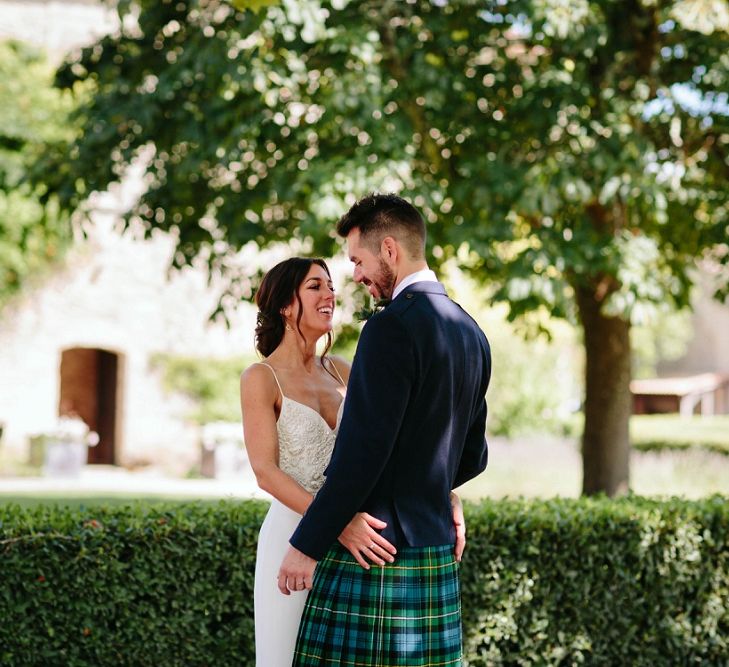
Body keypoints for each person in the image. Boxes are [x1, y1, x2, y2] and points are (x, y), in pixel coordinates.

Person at [278, 194, 491, 666]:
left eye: (358, 260)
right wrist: (436, 491)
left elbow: (362, 455)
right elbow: (473, 455)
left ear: (389, 250)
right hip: (433, 549)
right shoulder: (471, 332)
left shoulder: (390, 327)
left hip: (377, 551)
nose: (355, 275)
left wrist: (305, 546)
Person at [240, 257, 398, 666]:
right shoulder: (260, 378)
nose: (330, 294)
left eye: (330, 285)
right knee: (281, 658)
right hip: (292, 533)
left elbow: (386, 446)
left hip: (350, 540)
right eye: (315, 286)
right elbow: (265, 472)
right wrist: (335, 521)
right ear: (285, 305)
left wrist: (446, 491)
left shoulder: (345, 371)